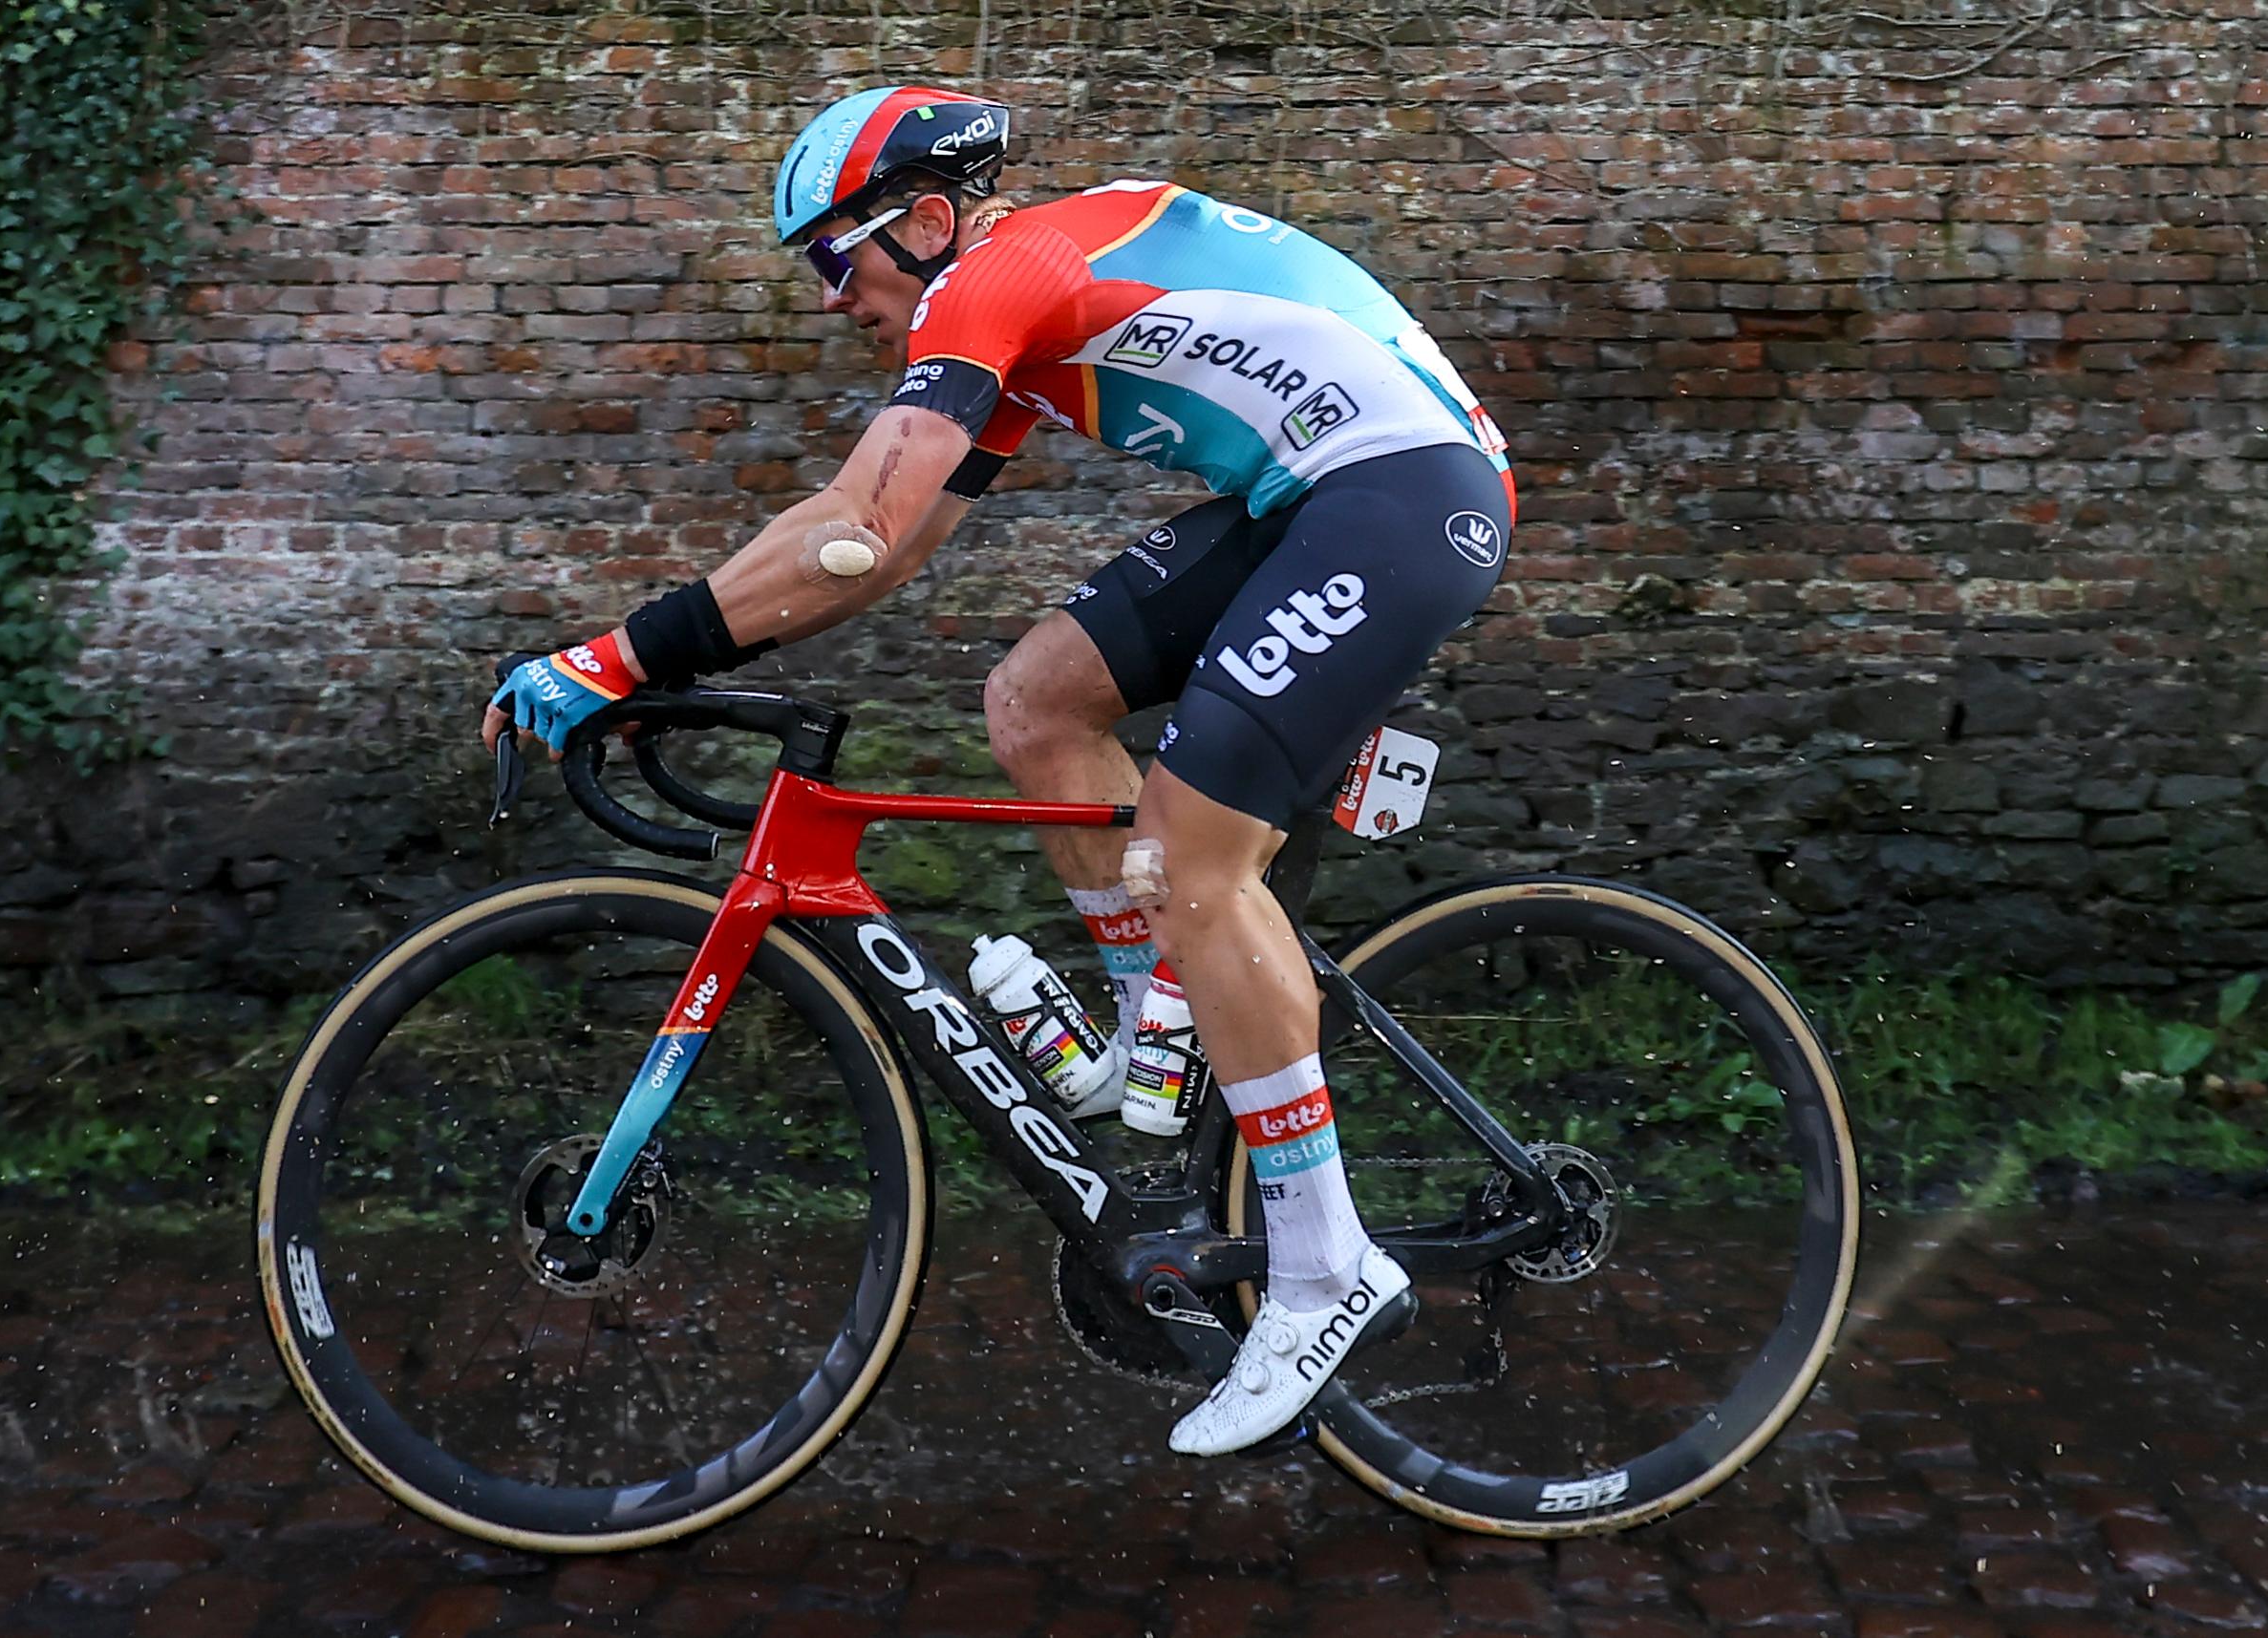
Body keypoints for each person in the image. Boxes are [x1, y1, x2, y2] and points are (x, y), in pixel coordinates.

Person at [484, 85, 1515, 1457]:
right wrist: (655, 652)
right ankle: (1158, 1032)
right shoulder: (1024, 312)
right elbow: (888, 553)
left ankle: (1325, 1264)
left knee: (1198, 860)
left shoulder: (994, 276)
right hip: (1319, 495)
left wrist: (614, 658)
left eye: (830, 260)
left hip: (1395, 495)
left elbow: (855, 525)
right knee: (1035, 703)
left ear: (918, 222)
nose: (827, 299)